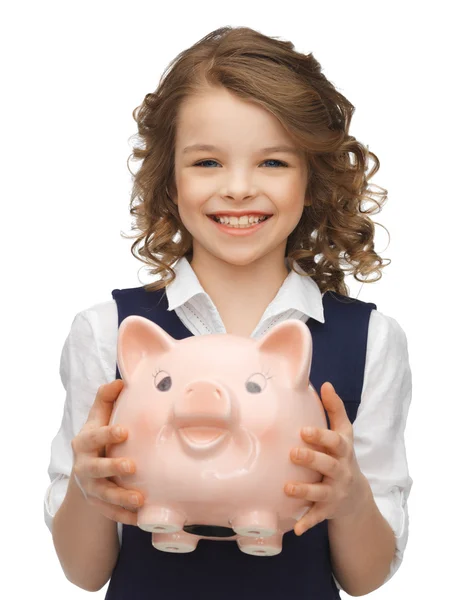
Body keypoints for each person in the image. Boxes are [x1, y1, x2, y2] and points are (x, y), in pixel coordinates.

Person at [44, 25, 413, 599]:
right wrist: (89, 492)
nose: (239, 189)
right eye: (208, 162)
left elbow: (364, 577)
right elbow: (83, 572)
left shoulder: (369, 340)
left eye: (272, 163)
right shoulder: (105, 332)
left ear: (313, 178)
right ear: (168, 178)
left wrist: (351, 495)